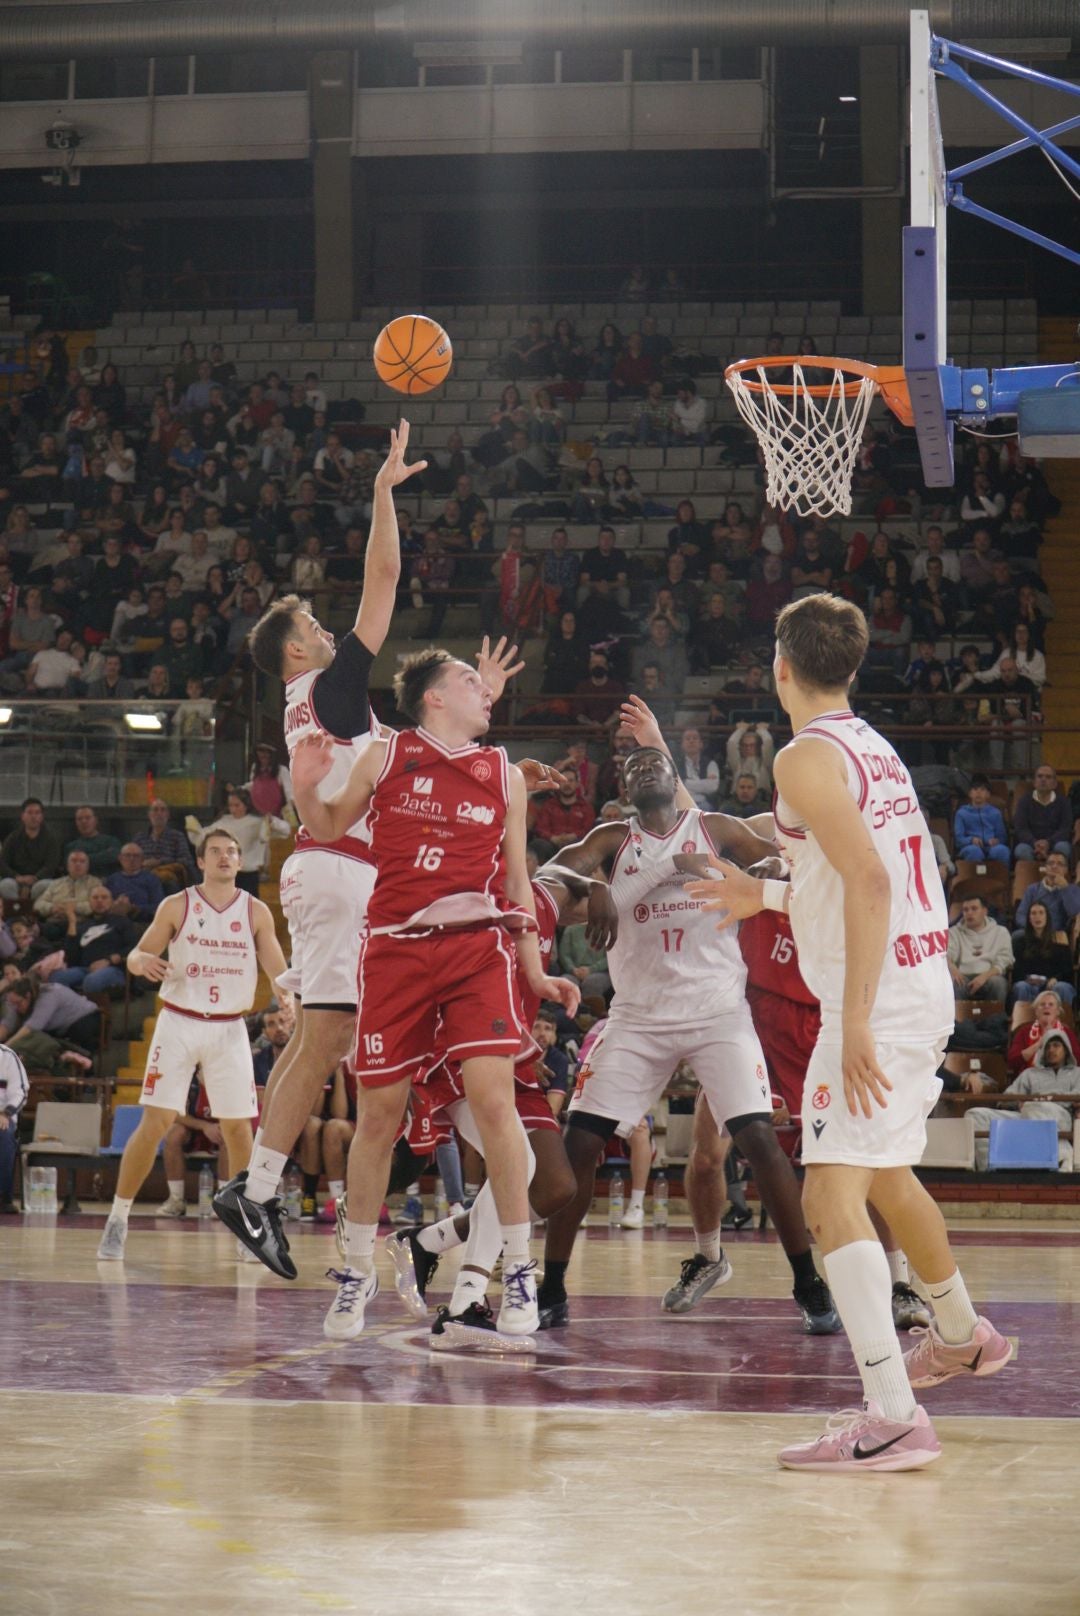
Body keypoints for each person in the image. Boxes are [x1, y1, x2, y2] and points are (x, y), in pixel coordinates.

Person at [688, 592, 1009, 1472]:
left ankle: (893, 1416)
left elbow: (869, 885)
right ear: (852, 667)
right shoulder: (873, 747)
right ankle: (960, 1335)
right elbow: (863, 884)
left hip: (879, 999)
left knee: (830, 1198)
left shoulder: (801, 759)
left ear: (779, 667)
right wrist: (768, 894)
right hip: (916, 980)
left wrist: (856, 1021)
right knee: (889, 1180)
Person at [272, 647, 579, 1343]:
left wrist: (532, 971)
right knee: (378, 1116)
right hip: (394, 950)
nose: (488, 690)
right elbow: (324, 827)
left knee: (497, 1103)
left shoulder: (504, 773)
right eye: (471, 681)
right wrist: (304, 786)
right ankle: (355, 1271)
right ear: (435, 698)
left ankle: (518, 1274)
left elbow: (517, 884)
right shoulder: (385, 755)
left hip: (476, 949)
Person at [535, 708, 839, 1335]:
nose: (645, 765)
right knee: (580, 1145)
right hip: (638, 1018)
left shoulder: (715, 828)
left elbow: (781, 862)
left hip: (717, 1011)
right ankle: (553, 1285)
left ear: (676, 778)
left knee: (758, 1141)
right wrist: (588, 887)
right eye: (633, 763)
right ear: (623, 786)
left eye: (655, 761)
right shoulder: (610, 842)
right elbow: (544, 871)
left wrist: (756, 875)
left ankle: (808, 1283)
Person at [231, 421, 426, 1238]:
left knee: (320, 1039)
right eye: (311, 624)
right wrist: (382, 493)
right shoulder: (329, 689)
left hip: (337, 867)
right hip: (338, 866)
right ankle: (259, 1191)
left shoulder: (319, 703)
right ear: (294, 655)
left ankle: (259, 1186)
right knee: (327, 1038)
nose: (323, 627)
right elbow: (382, 581)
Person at [96, 828, 289, 1262]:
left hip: (229, 1027)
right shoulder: (177, 904)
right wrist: (140, 960)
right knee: (158, 1122)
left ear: (241, 862)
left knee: (240, 1128)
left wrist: (289, 997)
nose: (225, 857)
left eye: (232, 851)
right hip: (179, 1022)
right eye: (216, 851)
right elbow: (136, 956)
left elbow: (278, 968)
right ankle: (118, 1218)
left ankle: (246, 1228)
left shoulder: (256, 911)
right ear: (201, 861)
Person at [966, 1031, 1080, 1170]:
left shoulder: (1076, 1073)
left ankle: (1057, 1158)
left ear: (1066, 1050)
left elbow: (1077, 1094)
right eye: (1047, 1046)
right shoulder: (1030, 1073)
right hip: (1026, 1113)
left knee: (1036, 1107)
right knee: (975, 1115)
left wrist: (1046, 1097)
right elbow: (1008, 1097)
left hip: (1059, 1116)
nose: (1051, 1050)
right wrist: (1017, 1103)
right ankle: (988, 1169)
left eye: (1056, 1045)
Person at [187, 787, 288, 898]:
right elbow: (203, 836)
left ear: (246, 805)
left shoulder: (257, 822)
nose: (233, 809)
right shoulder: (225, 821)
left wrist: (272, 820)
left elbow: (285, 831)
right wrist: (193, 828)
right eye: (230, 805)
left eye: (237, 805)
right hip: (227, 871)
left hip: (248, 873)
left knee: (248, 907)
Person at [50, 885, 138, 995]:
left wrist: (108, 960)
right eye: (95, 898)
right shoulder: (83, 925)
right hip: (85, 969)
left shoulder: (122, 922)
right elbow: (71, 958)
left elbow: (134, 947)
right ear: (89, 902)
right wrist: (72, 922)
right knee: (57, 978)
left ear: (111, 901)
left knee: (91, 981)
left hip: (113, 970)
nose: (99, 901)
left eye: (104, 897)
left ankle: (87, 1009)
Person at [948, 895, 1013, 1004]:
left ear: (984, 911)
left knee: (998, 984)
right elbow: (946, 955)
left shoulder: (1000, 932)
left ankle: (994, 1020)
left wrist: (984, 976)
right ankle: (961, 1020)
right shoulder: (953, 932)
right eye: (965, 910)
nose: (969, 913)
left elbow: (1005, 960)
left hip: (990, 975)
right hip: (963, 976)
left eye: (974, 909)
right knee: (953, 984)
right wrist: (952, 968)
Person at [1011, 901, 1075, 1007]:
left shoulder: (1058, 938)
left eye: (1041, 913)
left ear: (1047, 917)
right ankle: (1025, 1022)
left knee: (1061, 987)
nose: (1037, 917)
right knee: (1021, 986)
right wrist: (1038, 980)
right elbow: (1017, 971)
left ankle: (1061, 1023)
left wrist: (1056, 979)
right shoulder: (1020, 942)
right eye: (1033, 913)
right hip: (1029, 983)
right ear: (1029, 918)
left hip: (1054, 983)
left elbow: (1067, 970)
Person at [0, 798, 62, 903]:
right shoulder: (13, 838)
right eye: (29, 813)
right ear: (23, 816)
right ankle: (18, 913)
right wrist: (17, 877)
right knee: (5, 885)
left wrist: (35, 878)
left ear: (42, 817)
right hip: (16, 880)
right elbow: (3, 863)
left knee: (45, 886)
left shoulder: (51, 839)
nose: (33, 816)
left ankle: (34, 914)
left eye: (37, 813)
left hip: (40, 880)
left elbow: (52, 865)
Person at [1013, 765, 1073, 863]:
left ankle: (1056, 875)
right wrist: (1034, 843)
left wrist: (1048, 843)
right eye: (1040, 776)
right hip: (1030, 844)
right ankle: (1033, 875)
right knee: (1021, 850)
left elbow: (1065, 829)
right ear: (1034, 782)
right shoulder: (1024, 801)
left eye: (1048, 777)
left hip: (1055, 843)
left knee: (1063, 848)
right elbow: (1021, 828)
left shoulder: (1063, 802)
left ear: (1055, 784)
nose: (1043, 779)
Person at [531, 765, 595, 854]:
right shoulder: (549, 806)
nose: (567, 784)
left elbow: (589, 829)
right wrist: (552, 838)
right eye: (563, 781)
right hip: (552, 845)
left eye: (571, 780)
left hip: (578, 845)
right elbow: (541, 828)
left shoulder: (586, 807)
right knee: (538, 844)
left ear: (577, 784)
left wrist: (574, 836)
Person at [136, 798, 196, 893]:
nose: (159, 813)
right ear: (149, 814)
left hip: (167, 878)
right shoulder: (140, 838)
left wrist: (159, 862)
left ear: (167, 815)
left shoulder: (177, 836)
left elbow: (187, 860)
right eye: (155, 810)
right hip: (142, 875)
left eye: (163, 810)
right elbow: (131, 857)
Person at [953, 775, 1010, 867]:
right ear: (970, 793)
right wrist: (971, 840)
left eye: (982, 790)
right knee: (974, 851)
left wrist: (997, 841)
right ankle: (974, 880)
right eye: (975, 789)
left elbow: (1002, 837)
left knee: (1002, 850)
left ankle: (1001, 880)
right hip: (970, 846)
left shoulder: (995, 813)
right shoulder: (961, 813)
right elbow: (959, 839)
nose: (978, 792)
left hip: (991, 847)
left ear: (988, 794)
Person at [1014, 850, 1072, 938]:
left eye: (1060, 864)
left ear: (1066, 870)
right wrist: (1033, 928)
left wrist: (1066, 890)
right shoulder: (1032, 889)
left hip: (1056, 932)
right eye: (1051, 863)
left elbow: (1073, 914)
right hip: (1033, 930)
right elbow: (1021, 914)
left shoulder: (1071, 891)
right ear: (1046, 867)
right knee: (1017, 936)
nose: (1054, 866)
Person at [0, 1041, 29, 1213]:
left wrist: (6, 1113)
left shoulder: (7, 1056)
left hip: (3, 1115)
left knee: (4, 1134)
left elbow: (20, 1091)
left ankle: (3, 1196)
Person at [105, 843, 165, 923]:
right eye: (127, 855)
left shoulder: (151, 879)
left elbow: (159, 905)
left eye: (136, 856)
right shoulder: (111, 880)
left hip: (143, 921)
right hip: (115, 921)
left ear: (142, 859)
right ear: (120, 858)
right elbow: (105, 904)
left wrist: (133, 908)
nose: (132, 859)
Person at [65, 805, 122, 878]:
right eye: (79, 819)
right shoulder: (71, 846)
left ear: (95, 820)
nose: (84, 821)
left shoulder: (111, 841)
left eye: (88, 818)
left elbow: (113, 856)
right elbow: (70, 866)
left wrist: (83, 859)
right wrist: (101, 855)